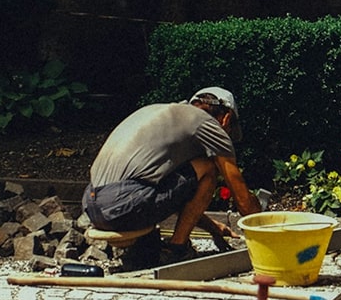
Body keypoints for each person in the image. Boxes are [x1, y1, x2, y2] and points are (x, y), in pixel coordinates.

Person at [83, 86, 262, 268]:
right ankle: (177, 250)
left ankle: (147, 253)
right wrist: (266, 229)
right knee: (208, 167)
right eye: (230, 130)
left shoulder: (164, 114)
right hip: (123, 205)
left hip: (92, 206)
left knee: (185, 175)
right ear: (226, 119)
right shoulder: (208, 124)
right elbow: (243, 203)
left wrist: (213, 228)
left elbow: (176, 194)